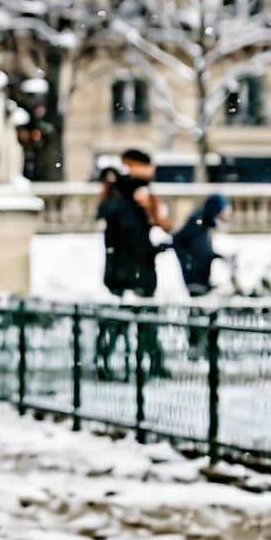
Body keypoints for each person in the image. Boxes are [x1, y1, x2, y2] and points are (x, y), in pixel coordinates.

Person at [95, 149, 171, 376]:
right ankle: (147, 363)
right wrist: (153, 248)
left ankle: (109, 361)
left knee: (127, 323)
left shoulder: (122, 200)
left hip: (127, 271)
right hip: (133, 272)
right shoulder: (128, 202)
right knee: (139, 322)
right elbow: (133, 240)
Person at [172, 192, 229, 298]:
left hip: (201, 280)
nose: (226, 213)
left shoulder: (203, 224)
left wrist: (217, 256)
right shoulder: (198, 222)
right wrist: (186, 261)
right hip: (195, 281)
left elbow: (202, 250)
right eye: (223, 209)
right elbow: (180, 240)